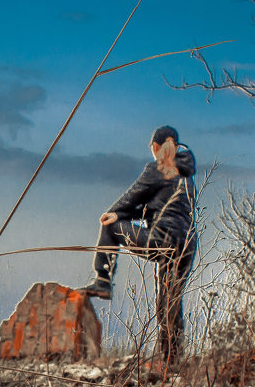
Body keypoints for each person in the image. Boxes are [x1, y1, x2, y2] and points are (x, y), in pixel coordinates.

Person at [78, 125, 197, 364]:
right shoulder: (185, 172)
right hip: (186, 245)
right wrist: (127, 215)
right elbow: (149, 206)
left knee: (109, 225)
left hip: (162, 239)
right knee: (170, 299)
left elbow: (133, 196)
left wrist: (113, 214)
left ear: (157, 146)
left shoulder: (158, 168)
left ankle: (102, 280)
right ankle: (172, 358)